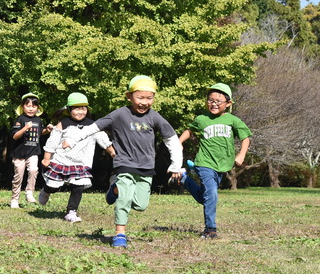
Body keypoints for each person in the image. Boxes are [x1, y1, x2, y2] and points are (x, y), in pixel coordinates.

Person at [62, 76, 183, 247]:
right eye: (140, 97)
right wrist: (73, 140)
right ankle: (120, 234)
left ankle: (115, 188)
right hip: (124, 163)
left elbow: (172, 140)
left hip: (147, 166)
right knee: (125, 200)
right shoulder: (119, 114)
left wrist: (176, 164)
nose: (144, 102)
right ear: (129, 96)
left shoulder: (155, 117)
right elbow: (94, 127)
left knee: (140, 205)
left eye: (149, 98)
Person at [177, 83, 251, 239]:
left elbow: (245, 137)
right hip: (204, 162)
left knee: (206, 197)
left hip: (222, 165)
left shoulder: (233, 120)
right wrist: (179, 142)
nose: (214, 104)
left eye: (218, 101)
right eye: (210, 100)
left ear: (228, 103)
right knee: (211, 194)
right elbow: (189, 131)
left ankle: (184, 179)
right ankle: (210, 229)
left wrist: (241, 154)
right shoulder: (202, 119)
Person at [38, 93, 115, 222]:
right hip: (61, 161)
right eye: (76, 108)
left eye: (83, 108)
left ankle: (71, 212)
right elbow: (52, 141)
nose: (80, 112)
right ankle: (46, 191)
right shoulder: (63, 124)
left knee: (78, 187)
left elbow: (103, 140)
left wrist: (112, 152)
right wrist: (47, 158)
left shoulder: (93, 125)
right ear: (69, 110)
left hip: (80, 163)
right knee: (54, 186)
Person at [9, 93, 53, 208]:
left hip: (33, 152)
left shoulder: (38, 120)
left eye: (34, 106)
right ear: (23, 107)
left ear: (38, 108)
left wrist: (47, 130)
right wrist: (25, 128)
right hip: (19, 153)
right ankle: (14, 199)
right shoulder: (20, 119)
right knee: (18, 175)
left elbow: (39, 132)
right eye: (28, 106)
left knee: (34, 170)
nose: (31, 108)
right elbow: (15, 136)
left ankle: (29, 192)